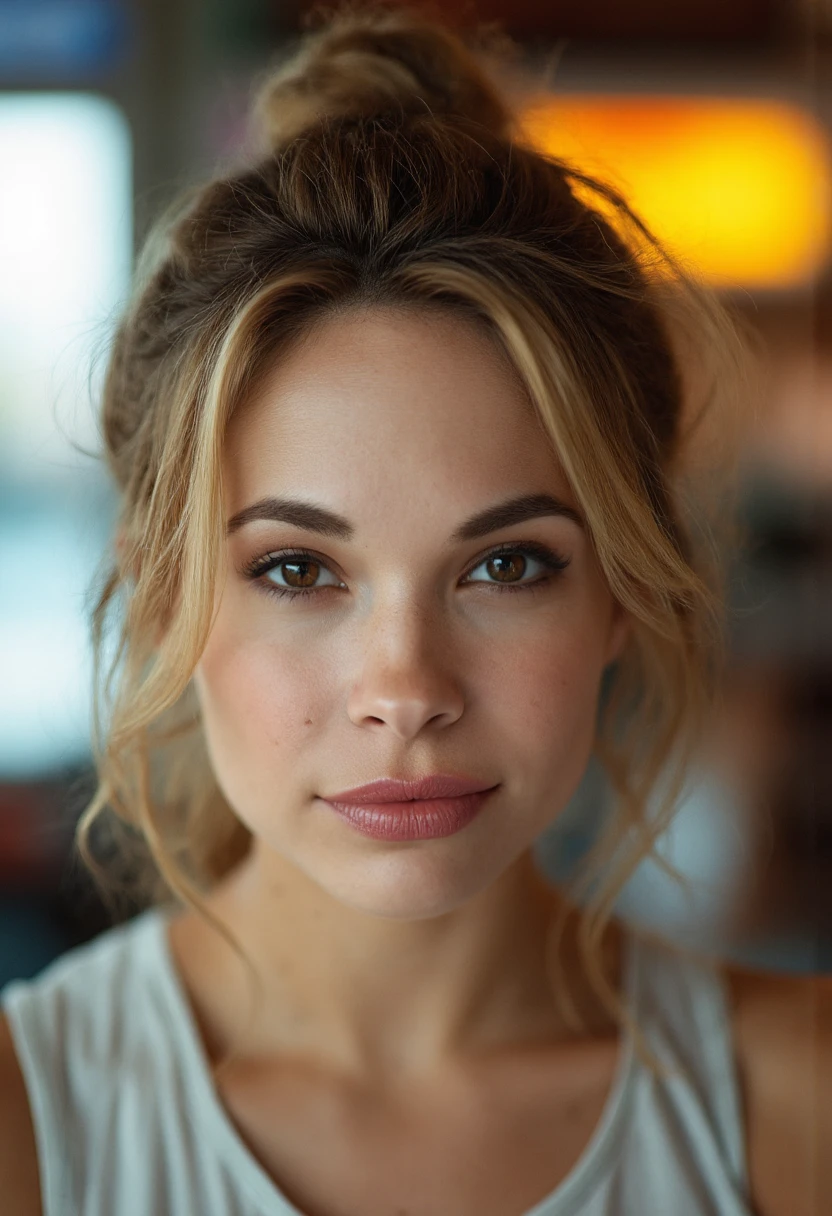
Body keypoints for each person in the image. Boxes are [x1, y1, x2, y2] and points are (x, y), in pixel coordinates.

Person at [1, 6, 829, 1214]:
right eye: (297, 569)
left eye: (507, 566)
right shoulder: (27, 1127)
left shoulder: (797, 1108)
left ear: (623, 593)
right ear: (158, 592)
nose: (405, 689)